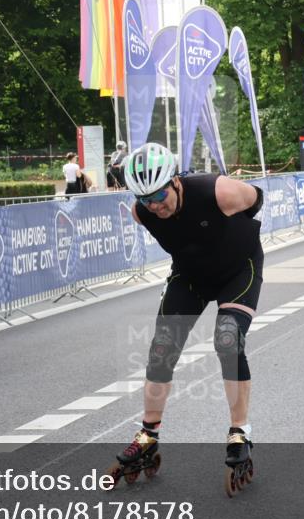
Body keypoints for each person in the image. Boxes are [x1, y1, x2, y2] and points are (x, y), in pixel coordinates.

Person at [111, 143, 263, 497]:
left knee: (227, 339)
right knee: (161, 348)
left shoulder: (220, 191)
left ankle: (240, 431)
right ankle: (148, 433)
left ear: (176, 181)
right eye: (146, 199)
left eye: (160, 194)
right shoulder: (142, 212)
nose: (156, 205)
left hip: (238, 271)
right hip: (191, 276)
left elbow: (257, 200)